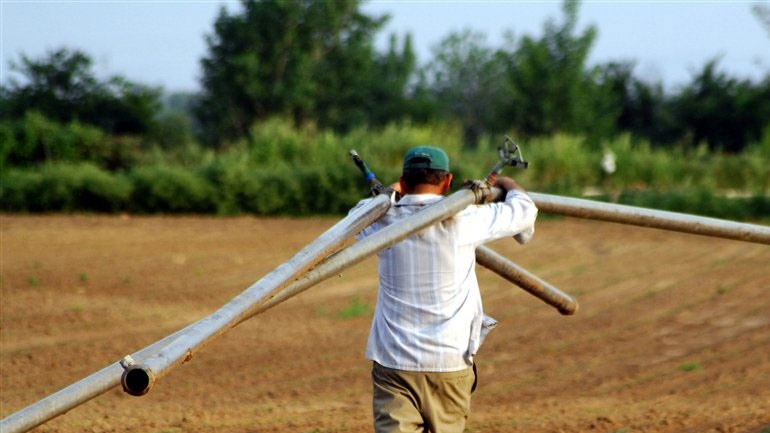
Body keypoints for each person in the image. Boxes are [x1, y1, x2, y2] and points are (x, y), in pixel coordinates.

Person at [350, 146, 538, 433]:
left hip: (394, 363)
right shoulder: (466, 219)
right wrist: (505, 184)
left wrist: (392, 192)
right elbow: (524, 213)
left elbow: (358, 214)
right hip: (449, 364)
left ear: (404, 179)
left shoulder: (381, 221)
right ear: (448, 181)